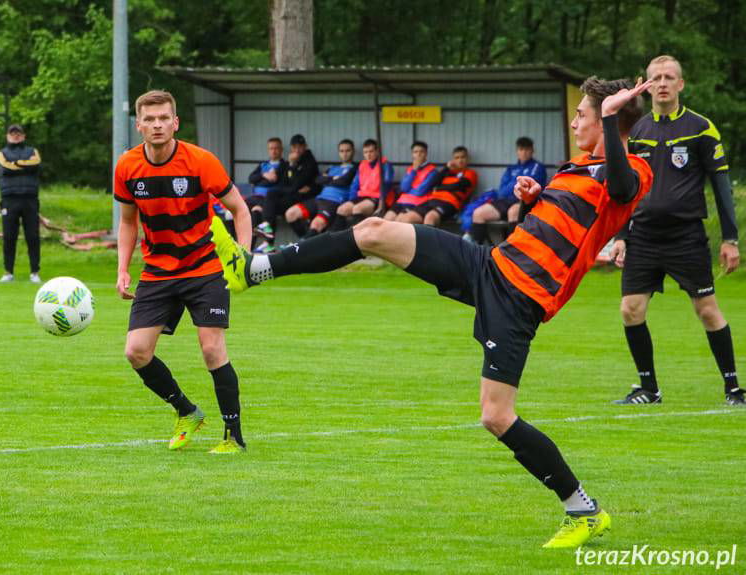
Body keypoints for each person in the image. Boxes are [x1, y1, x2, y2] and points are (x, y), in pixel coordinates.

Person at [213, 76, 654, 547]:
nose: (574, 121)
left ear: (609, 120)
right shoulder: (579, 166)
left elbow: (623, 190)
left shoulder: (631, 169)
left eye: (582, 115)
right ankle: (258, 267)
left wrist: (607, 116)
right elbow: (559, 226)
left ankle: (582, 510)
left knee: (496, 416)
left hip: (519, 300)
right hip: (489, 265)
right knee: (374, 230)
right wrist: (533, 200)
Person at [114, 90, 252, 454]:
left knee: (211, 349)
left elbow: (239, 209)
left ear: (175, 123)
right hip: (158, 271)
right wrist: (123, 269)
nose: (157, 125)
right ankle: (187, 411)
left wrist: (243, 253)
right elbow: (128, 222)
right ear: (139, 125)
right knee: (136, 352)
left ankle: (233, 437)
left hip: (203, 268)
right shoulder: (127, 167)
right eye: (150, 119)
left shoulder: (201, 162)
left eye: (164, 119)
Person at [611, 55, 743, 406]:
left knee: (707, 310)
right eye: (657, 78)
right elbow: (626, 188)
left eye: (670, 77)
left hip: (686, 237)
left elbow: (721, 186)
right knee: (630, 309)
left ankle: (733, 389)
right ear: (648, 85)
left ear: (681, 85)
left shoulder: (701, 128)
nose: (664, 83)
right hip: (643, 236)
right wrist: (621, 236)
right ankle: (648, 389)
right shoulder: (636, 131)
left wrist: (730, 239)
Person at [466, 137, 546, 244]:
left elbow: (529, 189)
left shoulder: (538, 167)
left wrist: (513, 184)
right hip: (506, 200)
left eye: (527, 149)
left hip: (525, 201)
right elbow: (502, 191)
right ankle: (481, 249)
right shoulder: (511, 168)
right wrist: (515, 183)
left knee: (513, 212)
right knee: (478, 213)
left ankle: (512, 250)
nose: (524, 152)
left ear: (532, 151)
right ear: (517, 151)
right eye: (521, 149)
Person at [284, 138, 357, 239]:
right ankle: (304, 242)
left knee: (316, 224)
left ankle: (301, 248)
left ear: (353, 151)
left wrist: (328, 179)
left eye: (348, 150)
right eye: (342, 151)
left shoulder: (355, 167)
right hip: (319, 199)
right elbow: (318, 179)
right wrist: (333, 178)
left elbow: (344, 181)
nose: (344, 154)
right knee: (290, 214)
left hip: (334, 202)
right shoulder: (333, 168)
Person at [256, 133, 318, 250]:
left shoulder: (310, 161)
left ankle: (307, 244)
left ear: (305, 146)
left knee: (272, 195)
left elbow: (297, 183)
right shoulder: (288, 162)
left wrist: (293, 165)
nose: (297, 150)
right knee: (271, 205)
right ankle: (268, 242)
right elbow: (284, 182)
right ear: (291, 148)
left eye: (300, 146)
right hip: (292, 196)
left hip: (304, 198)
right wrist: (290, 165)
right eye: (294, 147)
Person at [0, 124, 42, 283]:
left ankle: (35, 272)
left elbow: (35, 163)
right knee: (9, 237)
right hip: (9, 199)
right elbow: (6, 167)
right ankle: (8, 271)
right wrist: (24, 164)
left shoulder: (33, 151)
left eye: (18, 133)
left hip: (30, 198)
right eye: (12, 133)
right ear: (7, 136)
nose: (15, 136)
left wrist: (16, 163)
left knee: (33, 236)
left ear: (24, 136)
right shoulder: (3, 153)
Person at [337, 139, 393, 225]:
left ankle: (357, 237)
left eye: (371, 151)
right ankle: (340, 236)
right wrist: (352, 200)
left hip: (376, 198)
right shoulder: (362, 165)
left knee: (357, 209)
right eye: (365, 152)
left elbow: (387, 184)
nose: (368, 155)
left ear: (377, 151)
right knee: (342, 209)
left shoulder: (385, 164)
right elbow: (355, 185)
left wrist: (381, 204)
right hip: (361, 197)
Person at [247, 137, 288, 252]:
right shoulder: (263, 165)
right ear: (268, 150)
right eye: (271, 148)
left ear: (281, 150)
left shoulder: (285, 165)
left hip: (271, 199)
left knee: (258, 210)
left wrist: (262, 180)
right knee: (252, 211)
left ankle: (251, 248)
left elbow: (280, 182)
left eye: (276, 148)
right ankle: (254, 248)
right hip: (256, 198)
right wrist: (264, 175)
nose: (274, 151)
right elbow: (251, 178)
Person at [422, 146, 478, 227]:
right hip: (432, 200)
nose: (460, 160)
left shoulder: (470, 173)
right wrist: (446, 168)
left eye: (463, 157)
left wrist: (439, 188)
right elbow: (432, 183)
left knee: (430, 217)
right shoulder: (448, 172)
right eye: (457, 158)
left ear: (467, 159)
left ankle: (428, 240)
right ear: (453, 160)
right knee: (407, 217)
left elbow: (458, 186)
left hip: (450, 203)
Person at [384, 141, 438, 223]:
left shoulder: (432, 171)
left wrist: (409, 190)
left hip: (419, 203)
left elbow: (420, 191)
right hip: (402, 201)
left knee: (401, 221)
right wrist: (414, 171)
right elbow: (403, 188)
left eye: (421, 152)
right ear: (412, 154)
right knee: (387, 220)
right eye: (415, 152)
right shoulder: (410, 169)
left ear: (426, 154)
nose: (418, 154)